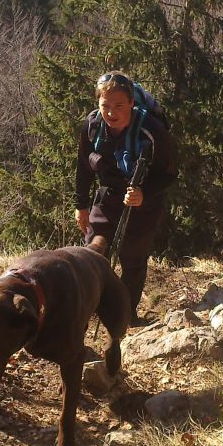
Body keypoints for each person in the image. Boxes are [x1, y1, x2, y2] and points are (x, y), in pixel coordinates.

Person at [74, 71, 177, 324]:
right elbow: (84, 165)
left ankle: (125, 316)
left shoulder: (151, 130)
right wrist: (81, 205)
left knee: (133, 259)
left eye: (119, 105)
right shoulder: (92, 125)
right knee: (94, 249)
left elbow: (170, 173)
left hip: (144, 202)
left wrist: (144, 193)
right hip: (108, 195)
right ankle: (85, 311)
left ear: (131, 103)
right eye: (105, 105)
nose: (111, 112)